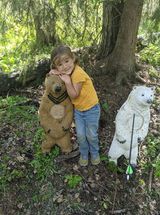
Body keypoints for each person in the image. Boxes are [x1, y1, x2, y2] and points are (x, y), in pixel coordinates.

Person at [49, 45, 100, 166]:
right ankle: (83, 153)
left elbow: (74, 95)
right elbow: (53, 77)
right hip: (79, 111)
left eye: (67, 61)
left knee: (91, 135)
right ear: (56, 66)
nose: (65, 66)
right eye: (60, 64)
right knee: (81, 135)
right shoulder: (67, 72)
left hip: (91, 109)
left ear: (73, 59)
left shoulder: (78, 73)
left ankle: (94, 152)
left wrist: (67, 81)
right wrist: (55, 72)